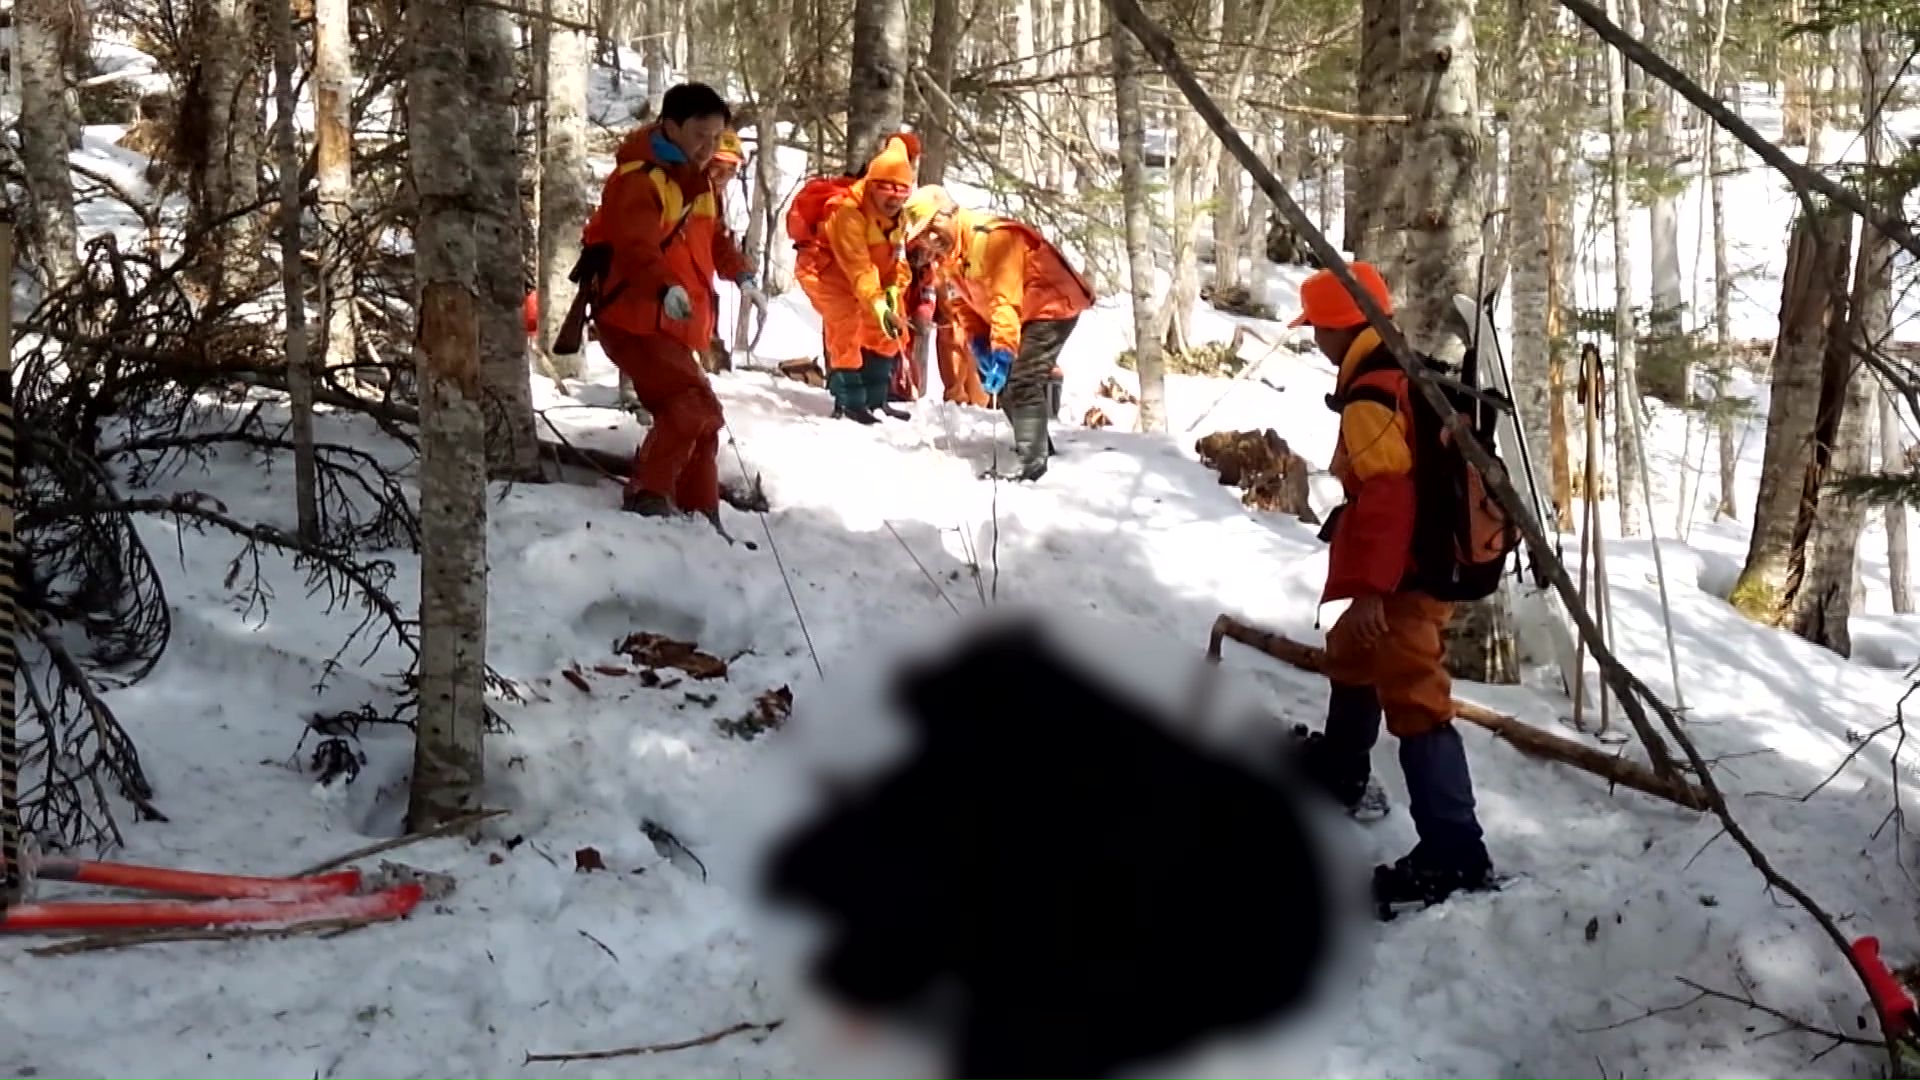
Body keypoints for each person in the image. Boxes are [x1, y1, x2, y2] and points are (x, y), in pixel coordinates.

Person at [1288, 262, 1497, 911]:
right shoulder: (1400, 366)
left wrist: (1374, 588)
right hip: (1399, 563)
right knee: (1350, 650)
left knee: (1416, 701)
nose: (1315, 341)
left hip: (1408, 573)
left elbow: (1387, 496)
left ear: (1334, 327)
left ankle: (1455, 852)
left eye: (1317, 328)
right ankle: (1344, 770)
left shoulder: (1373, 392)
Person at [578, 82, 769, 527]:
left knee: (703, 420)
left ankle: (700, 513)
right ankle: (649, 494)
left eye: (716, 138)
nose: (707, 148)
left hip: (673, 323)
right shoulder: (639, 181)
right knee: (691, 407)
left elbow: (716, 240)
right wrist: (666, 287)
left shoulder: (700, 184)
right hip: (634, 319)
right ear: (670, 126)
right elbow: (635, 246)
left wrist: (743, 276)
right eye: (699, 135)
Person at [900, 185, 1091, 481]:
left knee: (1023, 378)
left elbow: (1005, 302)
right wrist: (978, 341)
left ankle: (1034, 467)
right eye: (923, 234)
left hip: (1052, 306)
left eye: (933, 226)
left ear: (950, 212)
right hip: (1020, 313)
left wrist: (1002, 350)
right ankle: (1037, 447)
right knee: (1006, 385)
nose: (931, 239)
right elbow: (963, 304)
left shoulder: (995, 239)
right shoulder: (950, 257)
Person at [791, 133, 920, 424]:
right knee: (845, 323)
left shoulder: (898, 216)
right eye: (888, 189)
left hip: (867, 278)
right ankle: (849, 401)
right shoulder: (847, 211)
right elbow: (858, 266)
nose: (894, 199)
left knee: (887, 328)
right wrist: (876, 301)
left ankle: (876, 400)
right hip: (824, 271)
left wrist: (891, 291)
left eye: (902, 192)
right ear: (872, 185)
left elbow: (896, 257)